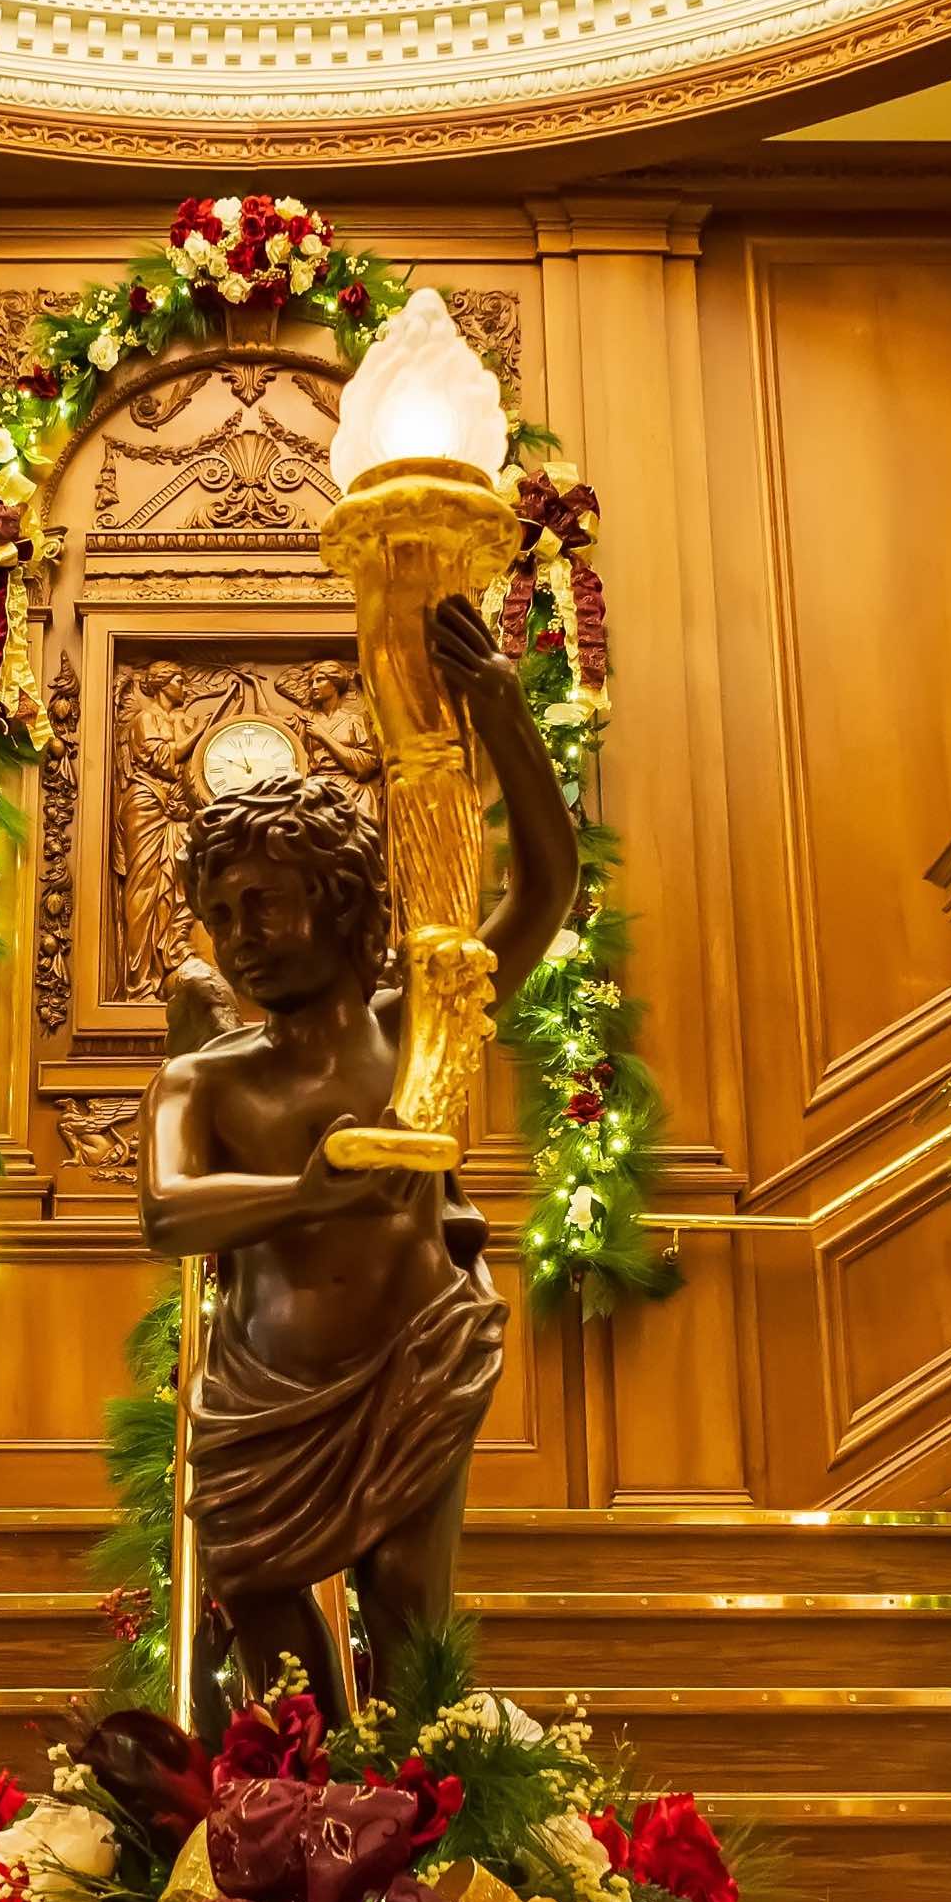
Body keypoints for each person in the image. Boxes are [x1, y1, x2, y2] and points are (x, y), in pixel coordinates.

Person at [142, 598, 578, 1725]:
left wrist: (502, 714)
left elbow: (542, 893)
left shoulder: (421, 1025)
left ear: (337, 905)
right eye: (220, 913)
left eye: (266, 905)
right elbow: (168, 1211)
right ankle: (312, 1814)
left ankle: (423, 1814)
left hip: (414, 1358)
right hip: (260, 1387)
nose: (240, 935)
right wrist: (304, 1191)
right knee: (259, 1605)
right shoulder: (204, 1080)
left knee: (403, 1601)